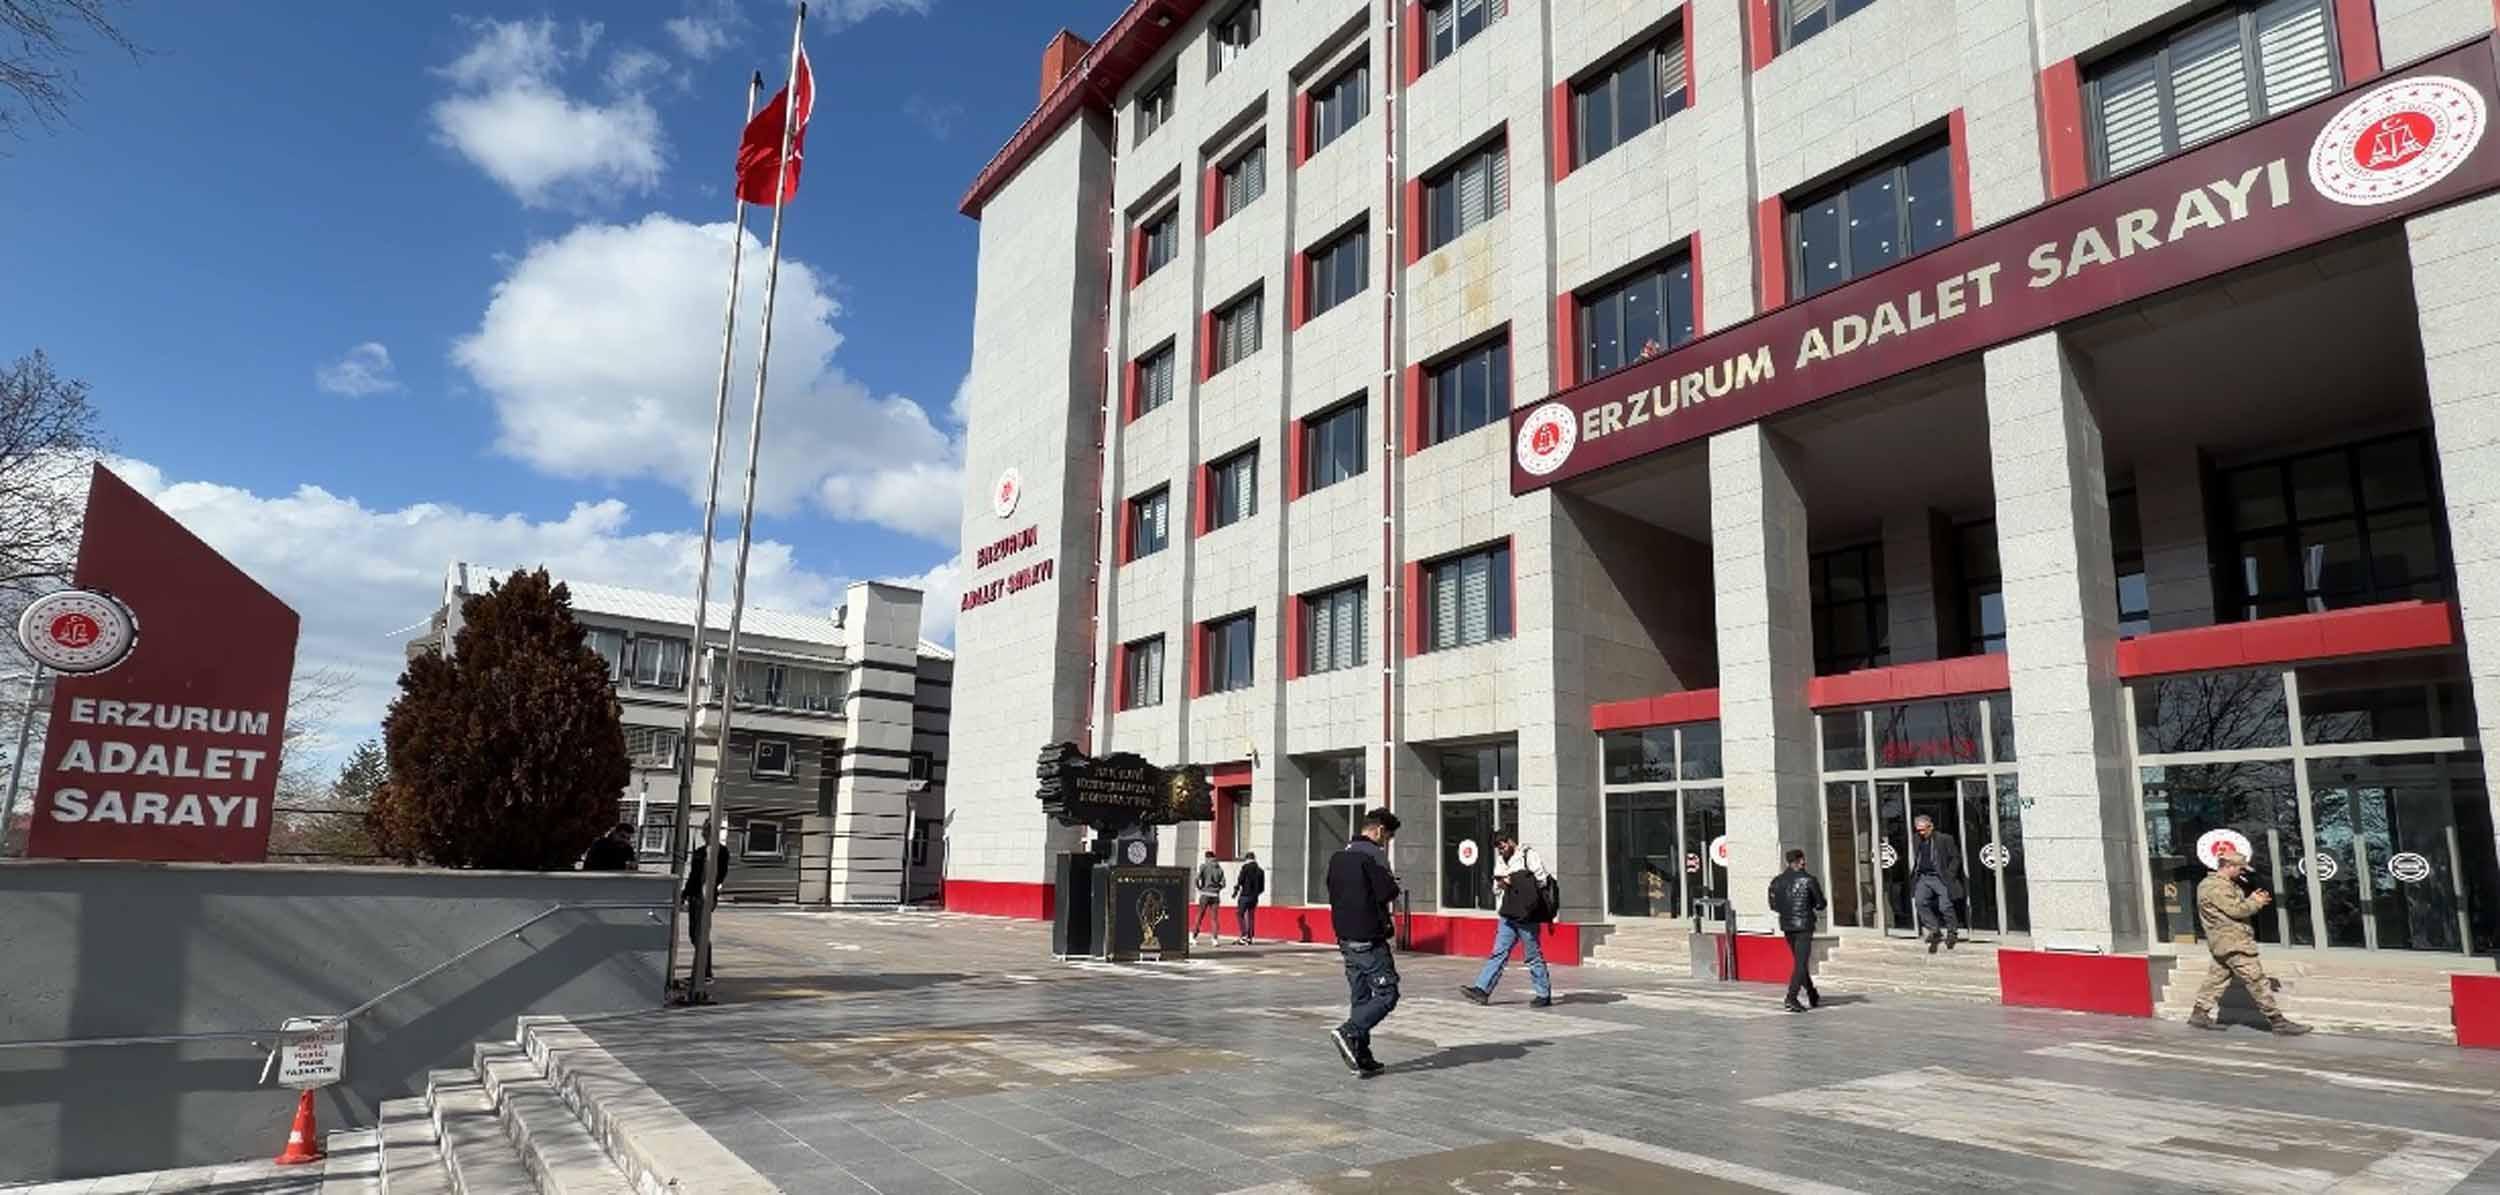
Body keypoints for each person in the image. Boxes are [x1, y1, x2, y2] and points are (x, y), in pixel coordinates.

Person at [2189, 845, 2311, 1035]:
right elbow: (2236, 910)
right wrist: (2255, 902)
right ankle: (2277, 1021)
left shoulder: (2221, 884)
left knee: (2217, 978)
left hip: (2225, 942)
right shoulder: (2216, 886)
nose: (2241, 872)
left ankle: (2199, 1014)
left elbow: (2233, 906)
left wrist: (2251, 899)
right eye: (2240, 868)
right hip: (2233, 943)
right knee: (2257, 980)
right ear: (2229, 866)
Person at [1325, 807, 1402, 1077]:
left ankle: (1361, 1055)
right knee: (1387, 993)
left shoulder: (1338, 856)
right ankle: (1349, 1031)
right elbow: (1387, 892)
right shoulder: (1373, 855)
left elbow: (1332, 890)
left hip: (1344, 936)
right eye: (1388, 837)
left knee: (1360, 996)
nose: (1386, 843)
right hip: (1369, 936)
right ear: (1379, 830)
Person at [1459, 831, 1553, 1008]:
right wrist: (1501, 884)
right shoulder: (1501, 861)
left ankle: (1543, 994)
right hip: (1507, 913)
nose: (1500, 851)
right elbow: (1496, 889)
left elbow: (1541, 881)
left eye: (1502, 846)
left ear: (1510, 841)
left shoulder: (1528, 855)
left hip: (1526, 915)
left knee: (1532, 955)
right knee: (1498, 952)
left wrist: (1516, 880)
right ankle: (1482, 990)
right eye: (1497, 848)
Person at [1769, 848, 1827, 1013]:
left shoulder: (1777, 881)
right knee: (1801, 964)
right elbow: (1821, 904)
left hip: (1787, 925)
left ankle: (1811, 993)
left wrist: (1787, 910)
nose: (1804, 862)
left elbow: (1773, 905)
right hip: (1804, 926)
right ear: (1800, 860)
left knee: (1800, 962)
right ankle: (1791, 997)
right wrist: (1811, 905)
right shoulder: (1809, 880)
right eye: (1803, 859)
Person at [1909, 814, 1964, 952]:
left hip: (1940, 877)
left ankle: (1952, 931)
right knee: (1920, 902)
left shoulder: (1944, 839)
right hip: (1923, 876)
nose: (1921, 833)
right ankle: (1934, 930)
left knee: (1945, 906)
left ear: (1931, 827)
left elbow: (1955, 858)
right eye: (1919, 830)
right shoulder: (1916, 839)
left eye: (1924, 829)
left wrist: (1950, 874)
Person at [682, 830, 729, 983]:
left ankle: (704, 972)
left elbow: (721, 873)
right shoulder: (700, 851)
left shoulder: (721, 851)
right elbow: (693, 874)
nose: (706, 836)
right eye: (705, 833)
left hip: (707, 895)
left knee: (700, 934)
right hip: (695, 894)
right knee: (694, 934)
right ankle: (702, 970)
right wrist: (686, 893)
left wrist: (711, 887)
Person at [1231, 851, 1266, 945]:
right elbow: (1262, 887)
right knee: (1251, 917)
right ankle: (1250, 937)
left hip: (1245, 895)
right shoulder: (1260, 871)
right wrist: (1256, 894)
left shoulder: (1245, 868)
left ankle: (1243, 935)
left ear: (1247, 859)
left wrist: (1235, 891)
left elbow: (1240, 880)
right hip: (1254, 897)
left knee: (1240, 914)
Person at [1192, 851, 1227, 944]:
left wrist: (1199, 887)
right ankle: (1215, 939)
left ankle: (1194, 936)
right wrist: (1218, 889)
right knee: (1214, 918)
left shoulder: (1204, 866)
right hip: (1215, 895)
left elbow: (1197, 879)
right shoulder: (1219, 868)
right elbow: (1223, 883)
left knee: (1200, 915)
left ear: (1206, 857)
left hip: (1205, 893)